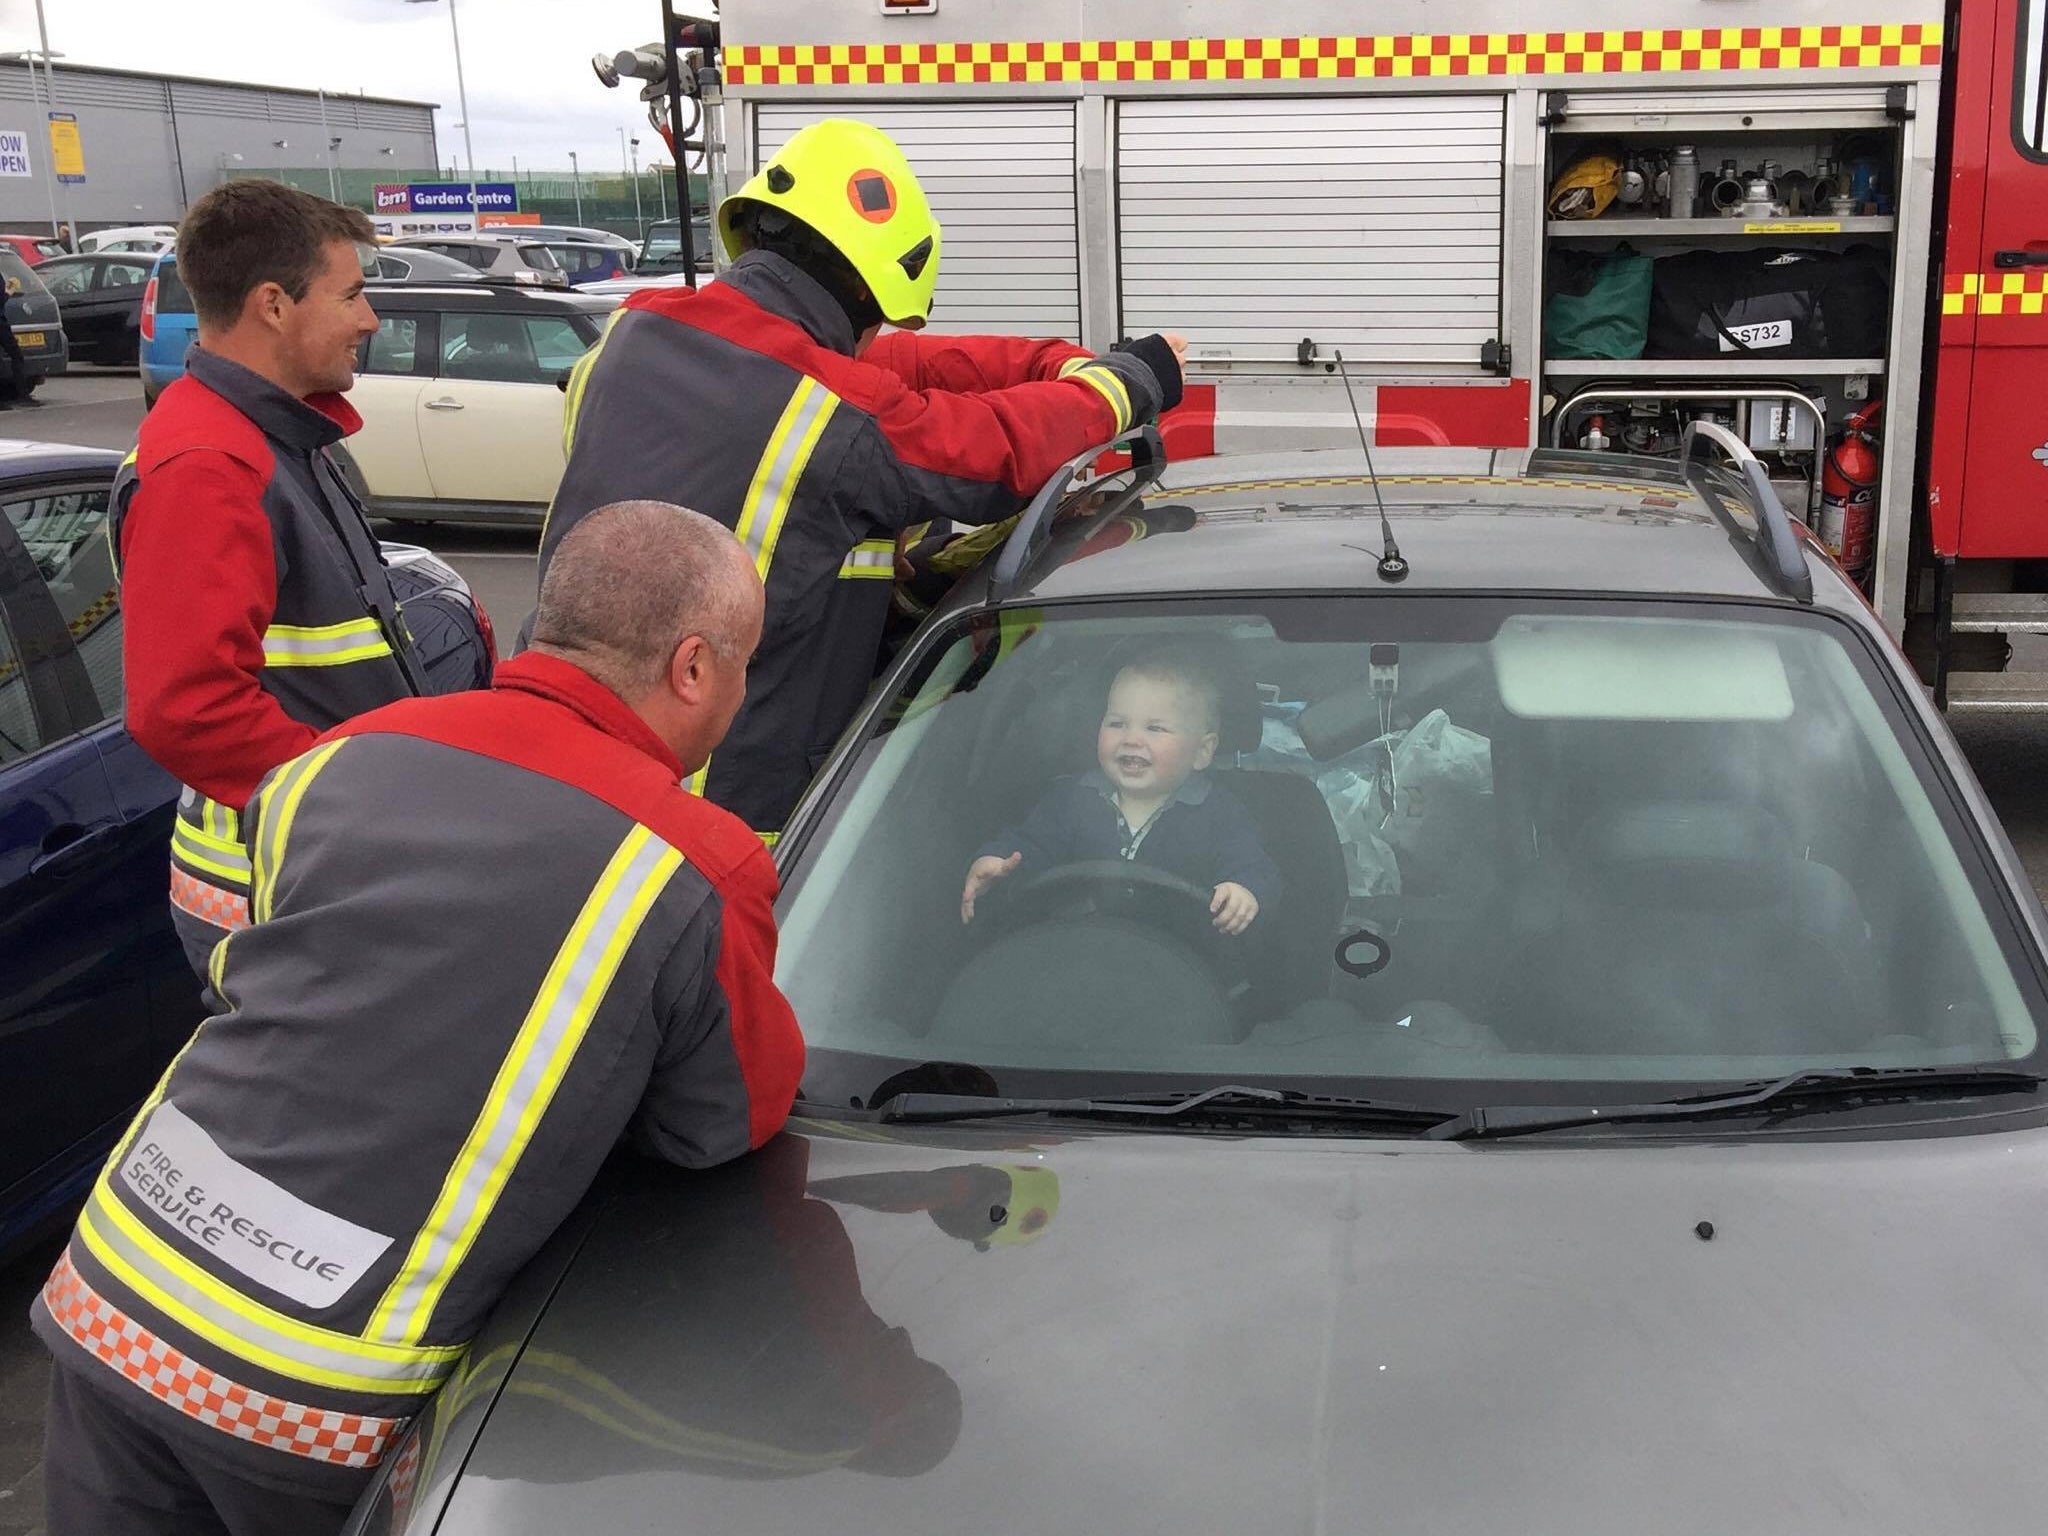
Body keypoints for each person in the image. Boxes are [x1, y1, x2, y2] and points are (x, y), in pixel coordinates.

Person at [32, 500, 806, 1536]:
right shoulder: (689, 862)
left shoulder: (344, 752)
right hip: (304, 1391)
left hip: (113, 1287)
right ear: (695, 667)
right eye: (747, 661)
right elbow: (718, 1122)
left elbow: (255, 957)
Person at [543, 116, 1187, 839]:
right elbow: (997, 451)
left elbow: (900, 370)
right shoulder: (829, 416)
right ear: (859, 295)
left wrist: (1053, 363)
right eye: (880, 318)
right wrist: (1130, 382)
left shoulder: (631, 340)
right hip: (717, 807)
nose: (880, 338)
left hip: (563, 766)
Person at [111, 179, 427, 979]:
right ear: (274, 305)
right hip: (279, 887)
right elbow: (184, 708)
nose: (370, 319)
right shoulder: (210, 465)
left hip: (311, 866)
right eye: (350, 294)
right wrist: (362, 804)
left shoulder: (274, 436)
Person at [961, 647, 1280, 933]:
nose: (1131, 739)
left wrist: (1244, 889)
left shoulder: (1221, 813)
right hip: (1076, 951)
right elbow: (1029, 845)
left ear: (1202, 751)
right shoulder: (1071, 799)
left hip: (1181, 967)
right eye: (1117, 723)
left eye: (1155, 728)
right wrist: (996, 859)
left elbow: (1253, 865)